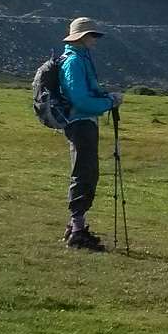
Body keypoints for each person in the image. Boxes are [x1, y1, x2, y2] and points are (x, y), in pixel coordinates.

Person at [58, 16, 121, 251]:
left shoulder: (79, 59)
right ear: (82, 37)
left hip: (83, 122)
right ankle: (77, 231)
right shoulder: (75, 62)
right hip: (80, 122)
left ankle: (76, 226)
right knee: (84, 173)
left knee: (86, 171)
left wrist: (105, 97)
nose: (95, 39)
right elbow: (80, 99)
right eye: (92, 35)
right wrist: (109, 103)